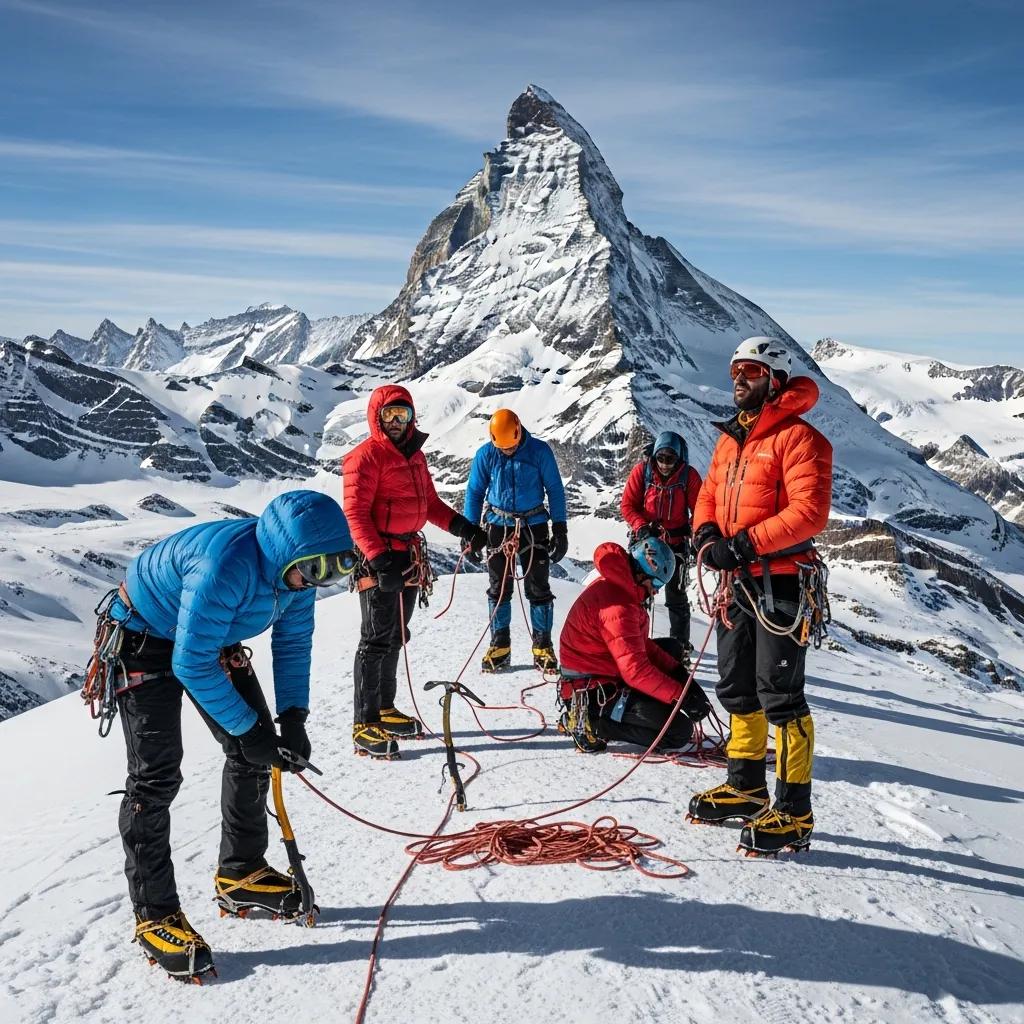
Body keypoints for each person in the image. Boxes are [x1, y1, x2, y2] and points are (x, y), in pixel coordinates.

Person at [101, 489, 354, 981]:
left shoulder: (293, 581)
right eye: (315, 568)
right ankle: (155, 914)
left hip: (205, 634)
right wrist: (249, 729)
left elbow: (294, 641)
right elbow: (191, 663)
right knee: (155, 777)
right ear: (286, 554)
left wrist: (293, 718)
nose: (319, 581)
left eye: (333, 569)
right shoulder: (227, 565)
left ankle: (240, 871)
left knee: (258, 752)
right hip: (142, 637)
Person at [687, 336, 832, 856]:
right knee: (738, 686)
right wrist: (706, 534)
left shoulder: (799, 439)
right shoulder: (732, 441)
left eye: (749, 370)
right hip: (739, 580)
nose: (739, 379)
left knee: (781, 695)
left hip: (780, 581)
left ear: (774, 378)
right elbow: (708, 493)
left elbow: (809, 513)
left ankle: (795, 810)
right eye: (734, 371)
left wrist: (742, 544)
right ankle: (746, 784)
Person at [343, 384, 487, 759]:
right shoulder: (365, 458)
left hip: (406, 555)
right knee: (374, 639)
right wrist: (377, 559)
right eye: (389, 415)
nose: (395, 422)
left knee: (395, 635)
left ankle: (385, 710)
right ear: (376, 417)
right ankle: (364, 722)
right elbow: (355, 515)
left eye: (402, 415)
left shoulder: (414, 456)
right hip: (380, 559)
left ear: (411, 417)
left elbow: (429, 505)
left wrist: (462, 526)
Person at [556, 536, 711, 753]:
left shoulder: (620, 590)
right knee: (678, 732)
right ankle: (592, 723)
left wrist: (680, 677)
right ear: (641, 574)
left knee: (671, 649)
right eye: (655, 583)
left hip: (601, 672)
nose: (655, 591)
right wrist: (680, 696)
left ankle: (616, 713)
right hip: (591, 690)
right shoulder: (618, 607)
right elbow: (635, 671)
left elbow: (639, 646)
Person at [463, 408, 568, 673]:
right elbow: (475, 492)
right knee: (499, 588)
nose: (508, 451)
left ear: (519, 431)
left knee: (538, 587)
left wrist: (560, 528)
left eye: (511, 447)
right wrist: (470, 531)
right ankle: (500, 645)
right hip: (499, 527)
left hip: (534, 526)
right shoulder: (487, 454)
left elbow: (554, 489)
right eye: (503, 448)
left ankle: (543, 647)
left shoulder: (539, 452)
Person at [620, 430, 702, 650]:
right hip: (646, 544)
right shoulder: (643, 472)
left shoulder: (688, 477)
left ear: (679, 459)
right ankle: (637, 641)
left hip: (675, 544)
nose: (665, 464)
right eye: (661, 458)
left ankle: (680, 645)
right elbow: (627, 505)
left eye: (670, 459)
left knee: (676, 596)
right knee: (639, 593)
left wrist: (696, 534)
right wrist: (641, 526)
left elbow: (701, 510)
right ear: (654, 456)